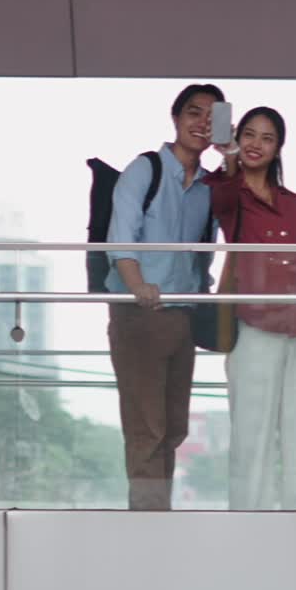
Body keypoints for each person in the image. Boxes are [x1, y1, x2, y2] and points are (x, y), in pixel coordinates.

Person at [205, 106, 296, 510]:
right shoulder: (228, 190)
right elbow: (220, 196)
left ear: (278, 148)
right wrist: (228, 155)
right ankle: (250, 522)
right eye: (249, 134)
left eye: (267, 138)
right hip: (254, 324)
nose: (256, 144)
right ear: (237, 139)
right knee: (252, 434)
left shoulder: (294, 203)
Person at [106, 83, 225, 510]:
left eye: (214, 117)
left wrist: (229, 152)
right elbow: (121, 238)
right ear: (175, 118)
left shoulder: (211, 186)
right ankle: (146, 522)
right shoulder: (146, 169)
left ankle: (159, 513)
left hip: (183, 316)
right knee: (147, 428)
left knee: (173, 428)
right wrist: (138, 285)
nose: (202, 123)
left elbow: (240, 215)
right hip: (140, 314)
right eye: (194, 113)